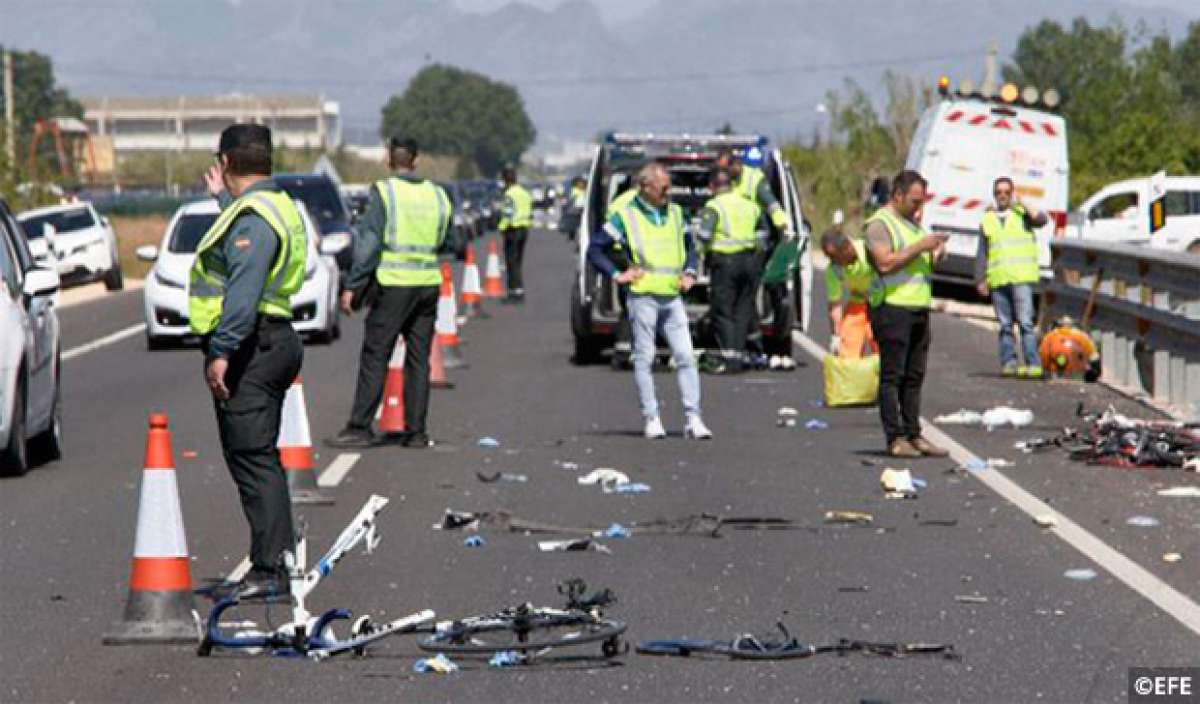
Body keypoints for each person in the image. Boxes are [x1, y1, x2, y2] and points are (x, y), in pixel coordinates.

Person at [189, 124, 306, 597]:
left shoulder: (256, 216)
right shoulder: (270, 205)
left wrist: (221, 351)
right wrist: (222, 200)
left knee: (254, 459)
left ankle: (271, 568)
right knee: (258, 457)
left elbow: (243, 291)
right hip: (271, 340)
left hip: (253, 345)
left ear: (228, 161)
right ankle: (276, 559)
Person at [327, 136, 456, 450]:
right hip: (427, 284)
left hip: (394, 285)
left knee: (376, 355)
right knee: (418, 359)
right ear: (415, 160)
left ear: (389, 160)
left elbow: (369, 244)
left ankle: (360, 426)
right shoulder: (438, 194)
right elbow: (449, 242)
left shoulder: (385, 192)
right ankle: (416, 432)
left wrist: (354, 286)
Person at [587, 162, 712, 440]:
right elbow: (595, 249)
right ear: (645, 188)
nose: (668, 191)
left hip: (672, 297)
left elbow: (690, 249)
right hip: (643, 297)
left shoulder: (677, 214)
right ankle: (652, 418)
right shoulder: (626, 217)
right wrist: (618, 274)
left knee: (686, 356)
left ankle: (694, 418)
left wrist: (690, 272)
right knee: (645, 357)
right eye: (662, 187)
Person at [863, 170, 950, 459]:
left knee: (915, 375)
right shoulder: (879, 224)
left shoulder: (913, 226)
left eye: (922, 201)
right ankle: (895, 437)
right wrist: (921, 246)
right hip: (892, 309)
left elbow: (917, 263)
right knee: (893, 376)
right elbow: (885, 263)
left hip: (917, 308)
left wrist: (935, 253)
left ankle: (914, 433)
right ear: (897, 195)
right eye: (914, 201)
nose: (918, 207)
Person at [975, 176, 1047, 378]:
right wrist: (980, 279)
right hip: (999, 279)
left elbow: (1042, 220)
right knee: (1005, 326)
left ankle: (1033, 363)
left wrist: (1022, 201)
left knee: (1025, 323)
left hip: (1021, 277)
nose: (1003, 196)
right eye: (999, 192)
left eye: (1007, 192)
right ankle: (1009, 362)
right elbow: (982, 252)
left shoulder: (1022, 215)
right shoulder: (987, 219)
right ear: (994, 195)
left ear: (1012, 193)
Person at [696, 168, 761, 373]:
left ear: (712, 187)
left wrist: (696, 257)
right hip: (750, 261)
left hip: (726, 263)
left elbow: (704, 235)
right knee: (743, 309)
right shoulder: (750, 205)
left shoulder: (714, 206)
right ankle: (738, 355)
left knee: (723, 310)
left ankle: (729, 357)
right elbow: (762, 233)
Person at [821, 227, 876, 359]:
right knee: (847, 348)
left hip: (880, 305)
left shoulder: (869, 251)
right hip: (857, 305)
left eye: (835, 257)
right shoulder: (834, 270)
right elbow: (835, 304)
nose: (833, 261)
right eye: (829, 257)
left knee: (884, 348)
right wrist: (836, 335)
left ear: (847, 248)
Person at [497, 165, 533, 301]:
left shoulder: (509, 194)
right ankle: (517, 289)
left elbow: (507, 213)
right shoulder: (524, 193)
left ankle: (515, 291)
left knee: (511, 261)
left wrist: (501, 227)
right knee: (518, 261)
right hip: (524, 229)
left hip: (512, 229)